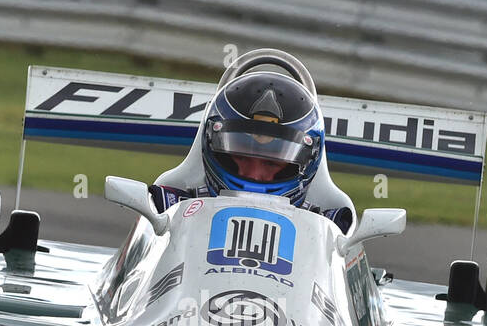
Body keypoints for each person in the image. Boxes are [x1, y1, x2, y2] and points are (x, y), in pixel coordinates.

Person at [149, 70, 353, 231]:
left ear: (309, 161)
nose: (253, 175)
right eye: (240, 156)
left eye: (272, 162)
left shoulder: (331, 226)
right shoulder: (167, 207)